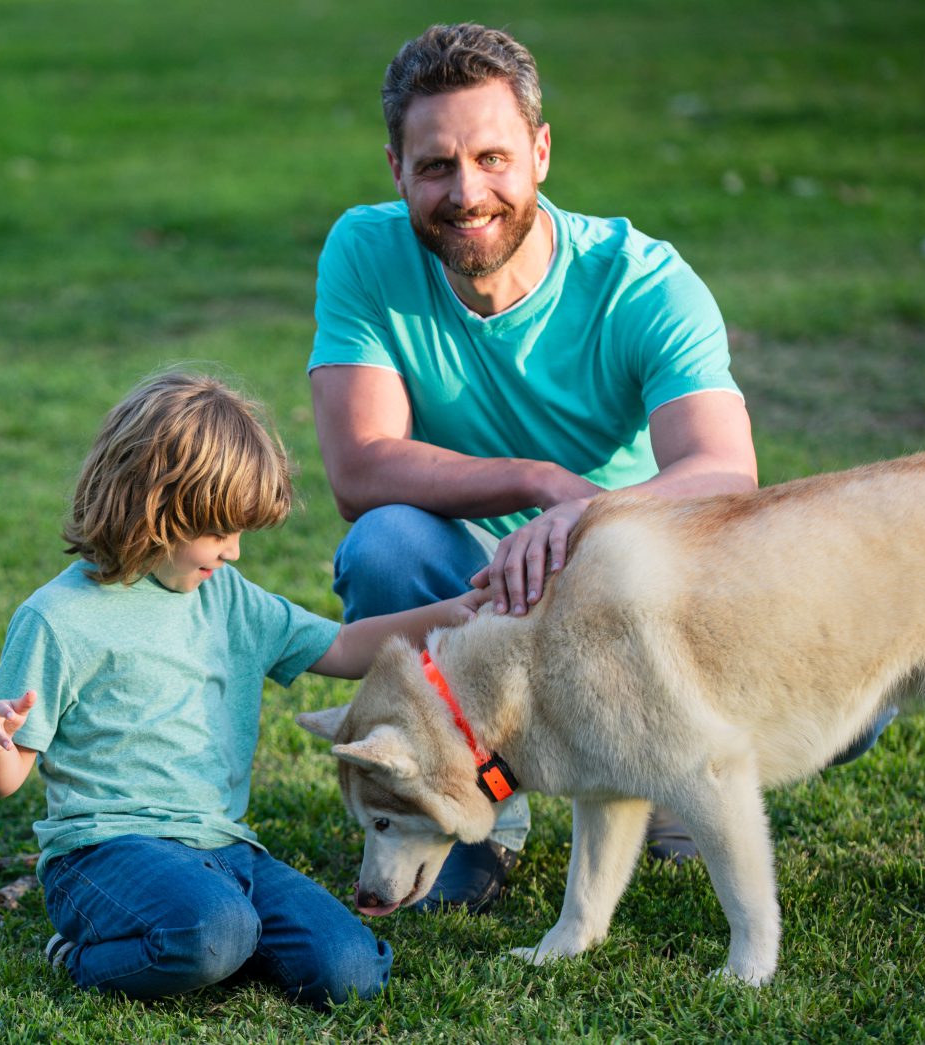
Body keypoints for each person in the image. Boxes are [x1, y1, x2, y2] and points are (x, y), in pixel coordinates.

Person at [309, 23, 893, 913]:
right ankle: (479, 802)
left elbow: (723, 470)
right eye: (435, 167)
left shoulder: (644, 281)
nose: (466, 193)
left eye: (493, 157)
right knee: (385, 545)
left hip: (621, 590)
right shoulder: (365, 249)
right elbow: (361, 468)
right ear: (396, 169)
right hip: (463, 581)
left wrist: (579, 520)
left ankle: (655, 769)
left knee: (843, 695)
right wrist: (539, 484)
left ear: (541, 150)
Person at [0, 371, 485, 1008]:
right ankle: (83, 956)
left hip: (226, 849)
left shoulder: (228, 599)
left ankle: (212, 947)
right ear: (155, 509)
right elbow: (5, 780)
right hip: (105, 853)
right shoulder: (58, 617)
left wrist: (467, 610)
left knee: (351, 973)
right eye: (220, 533)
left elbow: (347, 647)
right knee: (214, 931)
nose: (235, 553)